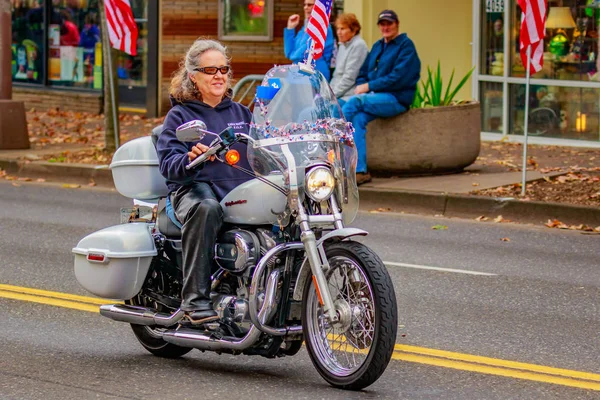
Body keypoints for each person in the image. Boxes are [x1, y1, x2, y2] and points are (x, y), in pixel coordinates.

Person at [156, 39, 253, 325]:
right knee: (207, 207)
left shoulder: (242, 113)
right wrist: (190, 158)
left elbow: (266, 149)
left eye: (223, 69)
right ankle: (194, 301)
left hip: (239, 194)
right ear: (193, 76)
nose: (219, 75)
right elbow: (169, 166)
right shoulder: (181, 115)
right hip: (194, 191)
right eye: (210, 70)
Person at [342, 10, 421, 185]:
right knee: (358, 119)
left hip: (396, 99)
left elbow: (398, 78)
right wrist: (364, 85)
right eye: (382, 24)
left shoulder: (406, 46)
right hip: (375, 98)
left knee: (353, 102)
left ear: (397, 24)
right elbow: (363, 73)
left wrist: (369, 87)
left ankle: (333, 145)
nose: (385, 27)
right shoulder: (378, 46)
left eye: (389, 23)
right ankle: (360, 171)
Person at [284, 0, 335, 80]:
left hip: (315, 72)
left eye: (309, 5)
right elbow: (289, 52)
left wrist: (292, 56)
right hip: (298, 73)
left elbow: (300, 55)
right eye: (305, 5)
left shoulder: (323, 27)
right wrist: (290, 28)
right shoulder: (304, 28)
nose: (305, 8)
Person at [329, 13, 368, 105]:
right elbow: (336, 75)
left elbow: (349, 78)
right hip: (337, 94)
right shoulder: (343, 45)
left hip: (349, 95)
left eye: (342, 29)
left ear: (353, 31)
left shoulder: (359, 45)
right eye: (337, 29)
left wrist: (331, 96)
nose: (338, 32)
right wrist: (327, 93)